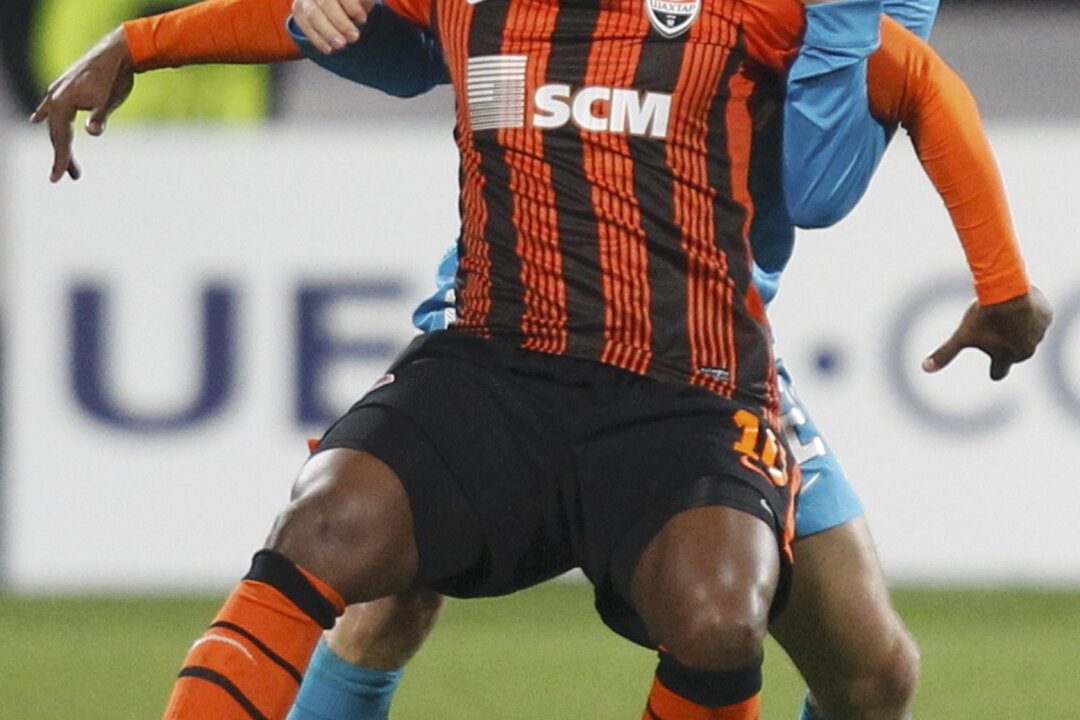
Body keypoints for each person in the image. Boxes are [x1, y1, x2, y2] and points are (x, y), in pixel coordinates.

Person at [31, 1, 1052, 719]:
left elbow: (870, 131)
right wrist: (152, 39)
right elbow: (356, 34)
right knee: (377, 575)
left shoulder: (785, 15)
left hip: (704, 352)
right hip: (512, 323)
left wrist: (1003, 280)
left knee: (871, 675)